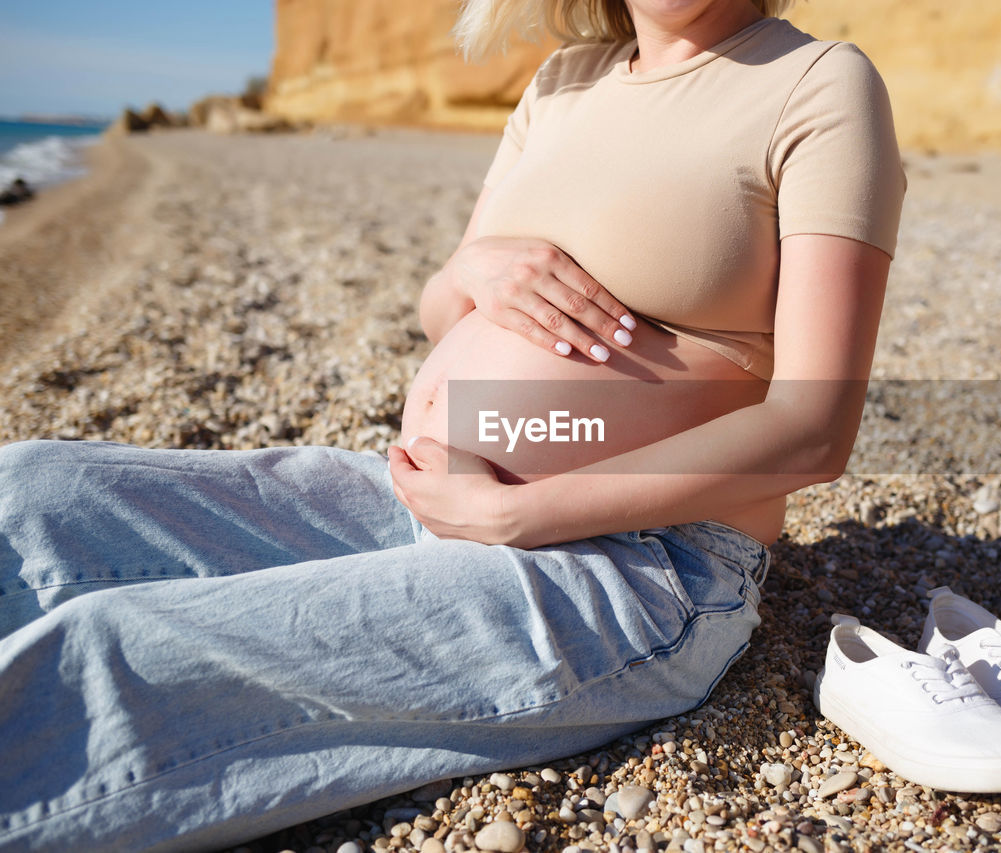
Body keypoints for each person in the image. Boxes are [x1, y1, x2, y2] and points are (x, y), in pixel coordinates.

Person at [0, 0, 904, 848]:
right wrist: (480, 262)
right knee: (35, 489)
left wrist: (517, 515)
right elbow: (446, 307)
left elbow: (813, 427)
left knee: (118, 654)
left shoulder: (818, 82)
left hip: (639, 561)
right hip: (430, 488)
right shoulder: (563, 80)